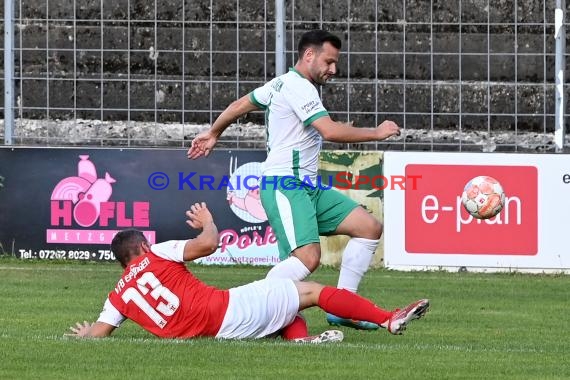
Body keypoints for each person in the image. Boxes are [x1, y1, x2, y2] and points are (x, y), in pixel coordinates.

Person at [187, 29, 402, 330]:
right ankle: (254, 310)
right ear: (309, 55)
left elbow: (239, 106)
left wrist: (213, 133)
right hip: (284, 185)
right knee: (307, 258)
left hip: (307, 186)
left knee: (368, 227)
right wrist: (376, 133)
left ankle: (343, 306)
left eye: (335, 63)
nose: (333, 70)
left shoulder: (281, 84)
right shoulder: (299, 87)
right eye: (329, 62)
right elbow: (330, 132)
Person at [66, 202, 429, 343]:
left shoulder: (117, 295)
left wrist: (84, 335)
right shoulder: (157, 252)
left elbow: (99, 333)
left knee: (283, 296)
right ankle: (387, 319)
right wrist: (208, 223)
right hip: (226, 312)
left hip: (211, 333)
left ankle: (299, 344)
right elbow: (208, 244)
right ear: (143, 247)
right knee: (309, 291)